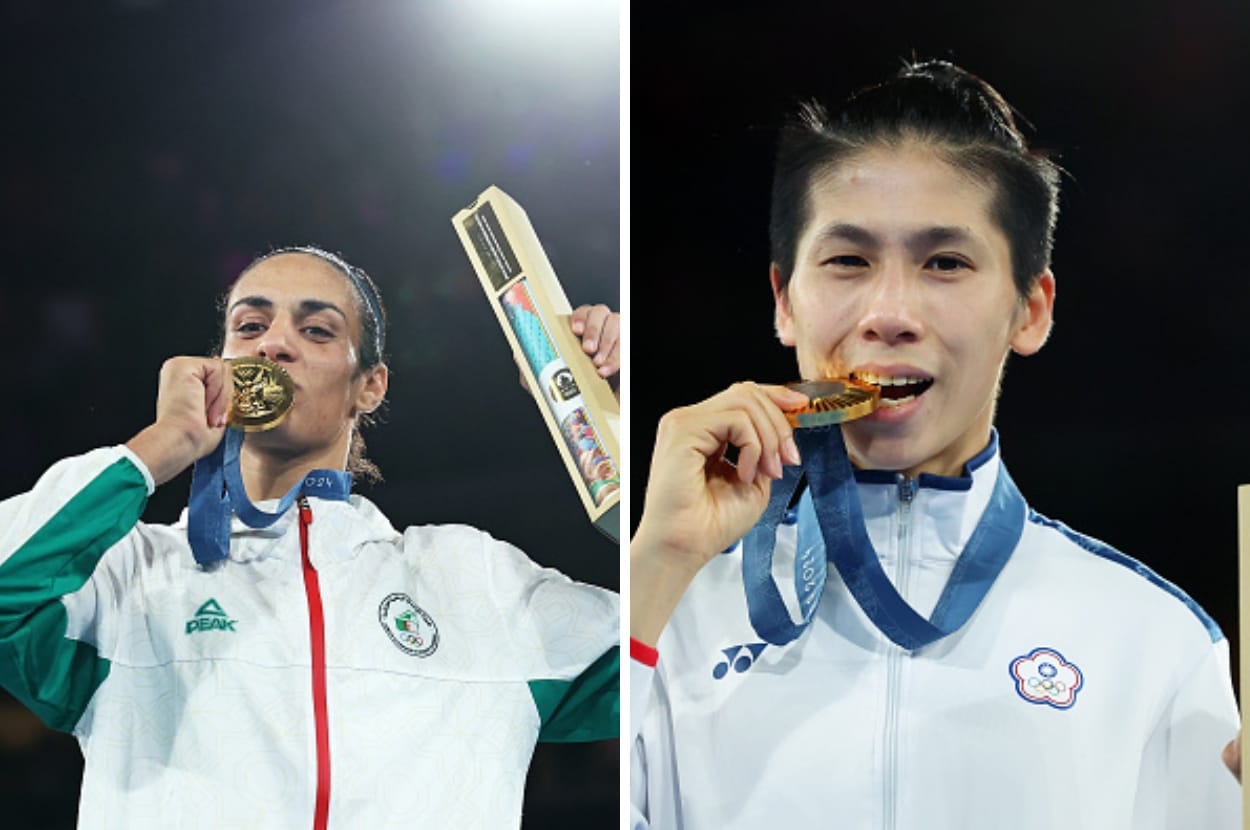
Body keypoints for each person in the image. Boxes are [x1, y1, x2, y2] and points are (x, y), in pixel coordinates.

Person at [629, 60, 1241, 828]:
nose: (890, 313)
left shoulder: (1154, 644)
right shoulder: (672, 619)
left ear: (1031, 310)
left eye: (945, 263)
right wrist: (655, 565)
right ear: (784, 302)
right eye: (849, 260)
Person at [0, 245, 620, 829]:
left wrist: (607, 419)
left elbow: (675, 654)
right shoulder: (129, 579)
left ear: (369, 385)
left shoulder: (473, 581)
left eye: (317, 330)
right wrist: (161, 448)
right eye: (249, 327)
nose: (274, 344)